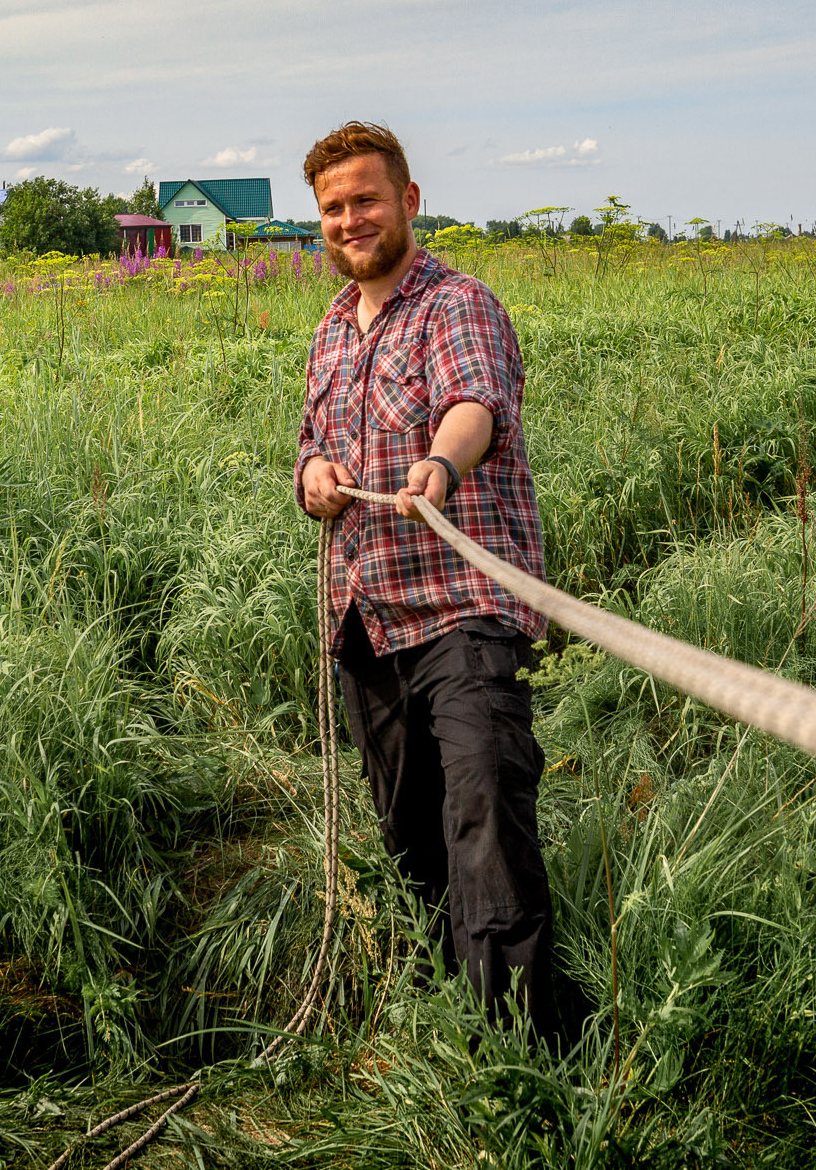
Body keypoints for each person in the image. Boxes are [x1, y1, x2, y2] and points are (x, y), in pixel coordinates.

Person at [295, 121, 562, 1040]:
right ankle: (447, 1030)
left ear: (409, 202)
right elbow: (310, 449)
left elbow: (473, 404)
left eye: (365, 200)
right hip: (367, 623)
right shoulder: (331, 331)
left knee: (484, 820)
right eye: (333, 208)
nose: (349, 220)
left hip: (463, 614)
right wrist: (314, 482)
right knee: (412, 840)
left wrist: (439, 471)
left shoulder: (458, 305)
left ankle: (524, 1059)